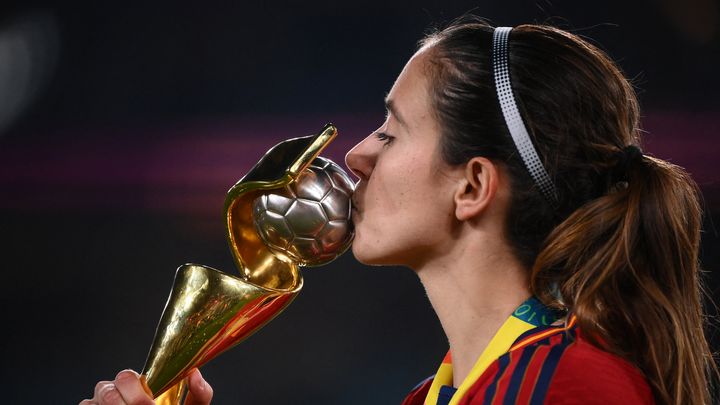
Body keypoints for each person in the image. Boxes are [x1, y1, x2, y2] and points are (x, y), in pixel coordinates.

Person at [81, 16, 717, 405]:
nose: (356, 156)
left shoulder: (569, 388)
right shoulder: (442, 395)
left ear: (471, 187)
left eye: (390, 131)